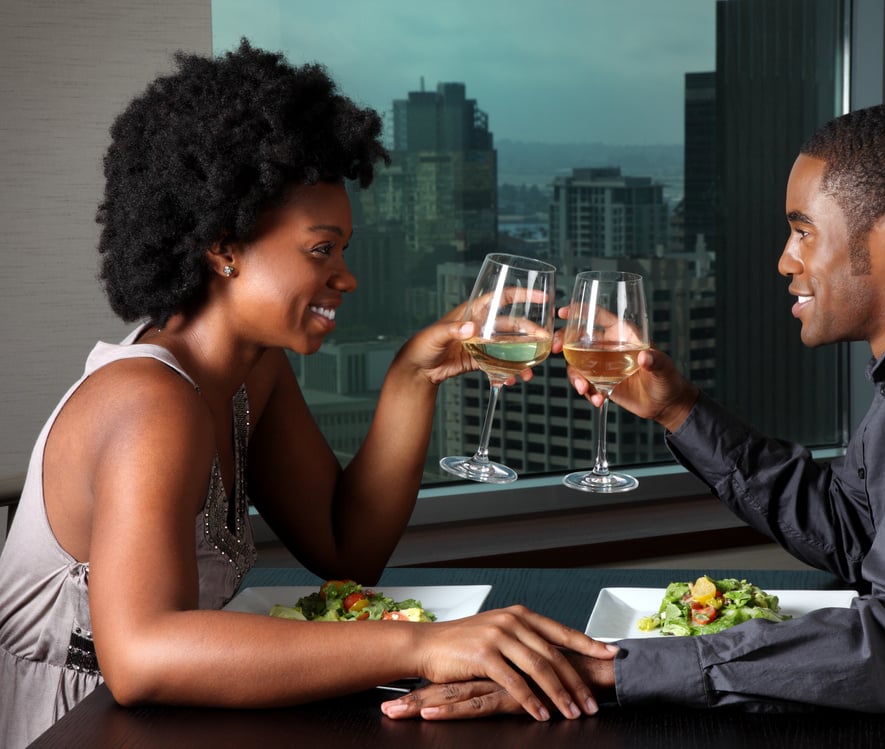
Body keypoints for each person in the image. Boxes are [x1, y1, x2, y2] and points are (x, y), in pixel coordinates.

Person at [380, 103, 885, 744]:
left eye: (802, 232)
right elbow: (852, 530)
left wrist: (605, 669)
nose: (785, 261)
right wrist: (675, 407)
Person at [0, 40, 614, 748]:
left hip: (169, 723)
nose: (346, 277)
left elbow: (345, 548)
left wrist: (414, 373)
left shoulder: (250, 372)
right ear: (223, 247)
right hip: (74, 727)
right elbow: (141, 658)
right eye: (322, 249)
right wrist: (423, 645)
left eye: (345, 250)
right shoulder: (149, 399)